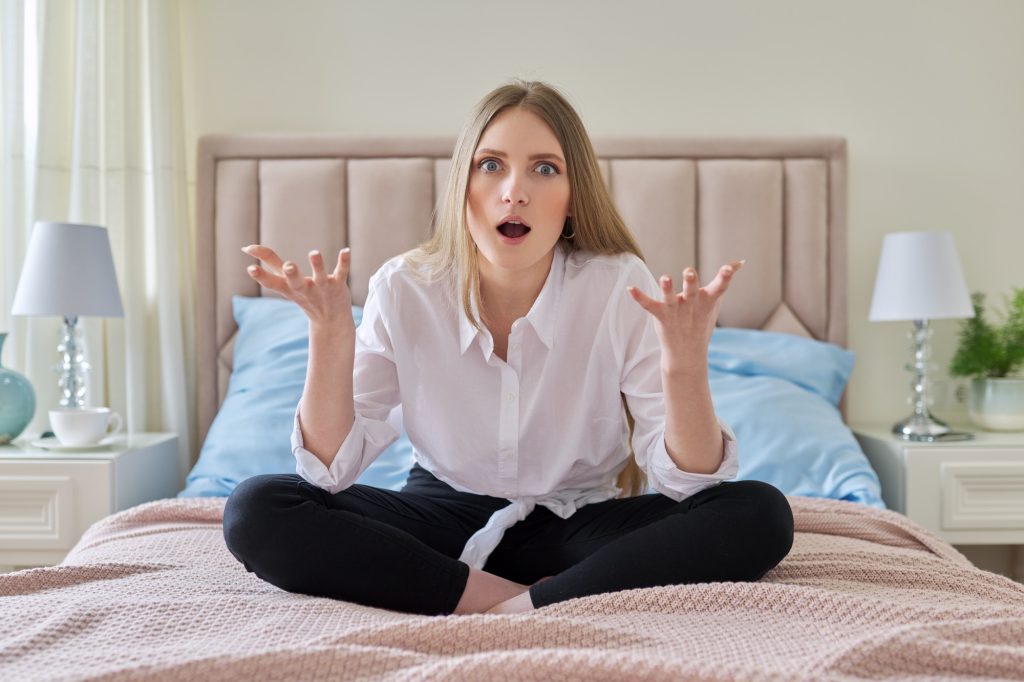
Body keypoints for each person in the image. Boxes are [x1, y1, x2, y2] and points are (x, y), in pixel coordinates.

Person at [223, 80, 794, 616]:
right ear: (462, 187)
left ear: (573, 198)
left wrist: (685, 364)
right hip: (442, 517)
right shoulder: (403, 287)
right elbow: (330, 471)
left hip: (579, 526)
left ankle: (521, 608)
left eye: (545, 169)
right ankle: (515, 599)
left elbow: (691, 484)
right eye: (490, 165)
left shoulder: (618, 282)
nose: (514, 192)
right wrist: (329, 333)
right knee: (257, 509)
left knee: (759, 512)